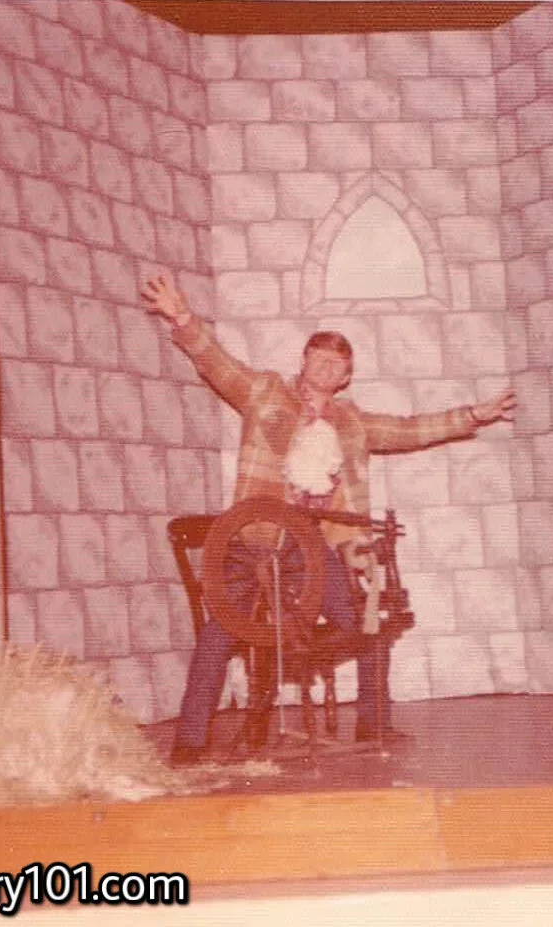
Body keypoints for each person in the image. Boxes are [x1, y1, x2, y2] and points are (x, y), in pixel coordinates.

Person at [141, 274, 517, 763]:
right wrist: (182, 317)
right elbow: (217, 362)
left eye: (337, 363)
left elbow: (410, 429)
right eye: (318, 356)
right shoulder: (265, 394)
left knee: (367, 623)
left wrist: (473, 415)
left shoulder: (351, 423)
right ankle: (189, 744)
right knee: (218, 635)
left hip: (311, 551)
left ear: (345, 378)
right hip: (253, 544)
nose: (325, 366)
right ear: (303, 361)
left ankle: (374, 724)